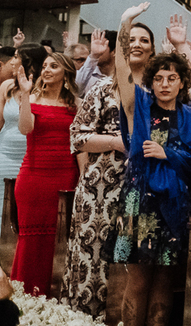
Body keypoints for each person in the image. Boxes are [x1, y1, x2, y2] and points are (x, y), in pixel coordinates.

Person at [108, 3, 191, 326]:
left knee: (166, 281)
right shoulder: (137, 105)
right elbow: (122, 67)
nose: (165, 84)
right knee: (138, 280)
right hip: (139, 202)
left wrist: (170, 154)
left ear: (182, 83)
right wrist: (125, 25)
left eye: (173, 78)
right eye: (160, 78)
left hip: (174, 204)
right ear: (151, 83)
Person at [60, 29, 133, 319]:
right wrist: (117, 142)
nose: (136, 46)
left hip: (148, 184)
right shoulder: (102, 89)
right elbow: (77, 137)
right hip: (101, 186)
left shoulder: (163, 89)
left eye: (144, 41)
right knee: (95, 258)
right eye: (131, 41)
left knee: (133, 264)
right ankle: (86, 320)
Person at [9, 49, 78, 296]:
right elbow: (26, 129)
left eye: (54, 66)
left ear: (66, 74)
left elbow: (79, 143)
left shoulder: (77, 105)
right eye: (45, 65)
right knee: (31, 240)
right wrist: (26, 95)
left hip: (66, 175)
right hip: (34, 176)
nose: (46, 69)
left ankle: (54, 301)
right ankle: (26, 299)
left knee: (57, 242)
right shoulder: (33, 99)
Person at [0, 47, 25, 233]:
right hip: (4, 153)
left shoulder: (42, 86)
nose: (13, 62)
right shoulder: (7, 86)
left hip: (30, 155)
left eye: (17, 57)